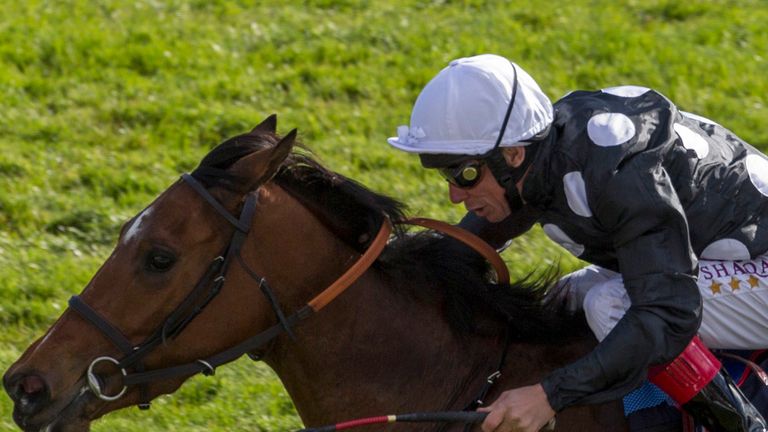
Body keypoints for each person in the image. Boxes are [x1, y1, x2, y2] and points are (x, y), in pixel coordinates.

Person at [386, 54, 768, 432]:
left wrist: (548, 397)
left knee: (612, 304)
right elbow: (484, 232)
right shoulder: (543, 152)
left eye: (465, 174)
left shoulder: (617, 172)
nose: (454, 194)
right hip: (738, 258)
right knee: (566, 297)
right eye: (446, 176)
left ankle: (746, 423)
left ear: (513, 155)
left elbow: (669, 311)